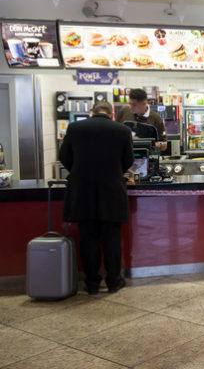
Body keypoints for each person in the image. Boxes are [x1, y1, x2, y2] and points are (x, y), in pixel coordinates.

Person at [59, 101, 133, 295]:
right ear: (112, 113)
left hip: (83, 192)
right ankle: (113, 281)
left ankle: (92, 283)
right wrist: (114, 173)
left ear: (92, 112)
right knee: (112, 238)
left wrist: (79, 173)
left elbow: (64, 157)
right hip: (111, 191)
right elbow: (128, 160)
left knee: (88, 238)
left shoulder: (75, 128)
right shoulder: (122, 130)